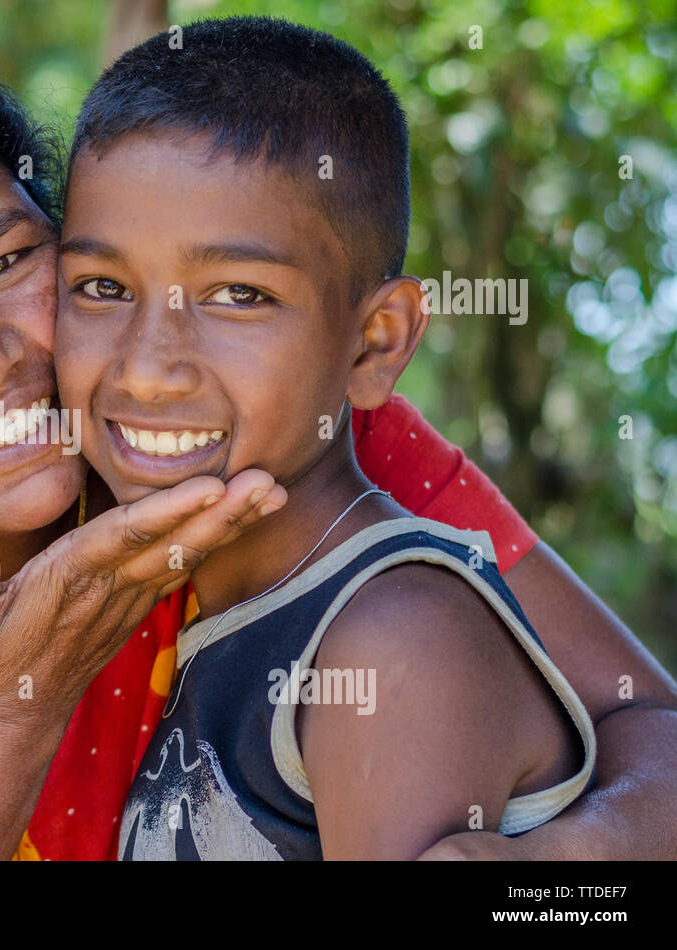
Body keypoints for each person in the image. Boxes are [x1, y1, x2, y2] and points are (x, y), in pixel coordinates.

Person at [0, 24, 677, 860]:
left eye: (7, 264)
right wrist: (12, 708)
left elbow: (650, 729)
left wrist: (563, 866)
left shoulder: (258, 425)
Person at [55, 15, 596, 860]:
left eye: (238, 294)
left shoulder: (392, 641)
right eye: (99, 285)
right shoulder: (232, 612)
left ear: (375, 341)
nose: (147, 369)